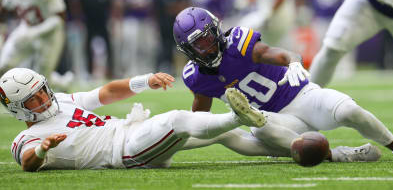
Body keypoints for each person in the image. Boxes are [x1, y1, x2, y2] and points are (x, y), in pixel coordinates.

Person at [173, 6, 393, 162]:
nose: (208, 47)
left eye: (208, 38)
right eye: (199, 44)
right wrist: (172, 140)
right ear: (187, 50)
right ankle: (340, 155)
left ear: (216, 29)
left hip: (301, 96)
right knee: (257, 126)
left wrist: (294, 63)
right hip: (274, 121)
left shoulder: (238, 42)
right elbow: (200, 120)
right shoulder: (197, 77)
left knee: (349, 110)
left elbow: (282, 54)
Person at [2, 68, 266, 171]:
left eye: (42, 91)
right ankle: (236, 116)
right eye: (33, 99)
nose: (44, 99)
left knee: (220, 134)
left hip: (131, 131)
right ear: (17, 109)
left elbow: (105, 93)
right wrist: (42, 148)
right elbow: (27, 163)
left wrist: (144, 81)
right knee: (178, 120)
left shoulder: (63, 100)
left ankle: (280, 148)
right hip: (123, 151)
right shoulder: (27, 138)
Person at [0, 0, 66, 81]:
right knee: (3, 65)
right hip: (26, 28)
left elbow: (59, 18)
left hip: (49, 35)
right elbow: (7, 7)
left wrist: (33, 33)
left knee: (40, 79)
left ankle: (62, 84)